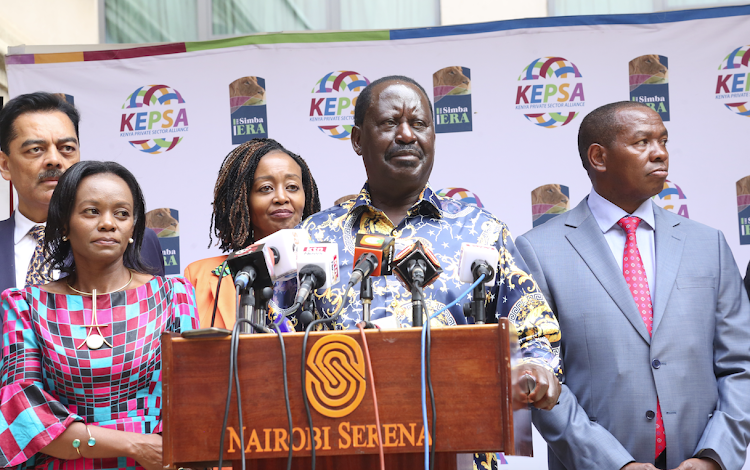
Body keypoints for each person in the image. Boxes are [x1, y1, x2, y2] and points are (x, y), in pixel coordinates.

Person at [300, 76, 562, 467]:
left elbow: (535, 328)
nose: (406, 135)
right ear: (357, 140)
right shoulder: (315, 235)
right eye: (389, 123)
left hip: (461, 448)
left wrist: (536, 366)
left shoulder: (482, 231)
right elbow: (276, 336)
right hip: (342, 449)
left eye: (419, 124)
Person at [515, 101, 750, 470]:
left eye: (663, 140)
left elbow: (741, 365)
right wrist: (613, 464)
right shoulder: (537, 251)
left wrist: (714, 457)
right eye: (642, 142)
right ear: (599, 157)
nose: (660, 153)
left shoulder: (709, 244)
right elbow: (539, 377)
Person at [0, 160, 199, 470]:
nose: (109, 223)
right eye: (92, 211)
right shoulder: (26, 305)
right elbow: (25, 417)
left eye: (122, 213)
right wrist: (134, 444)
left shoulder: (174, 295)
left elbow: (192, 403)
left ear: (134, 226)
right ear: (64, 223)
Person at [0, 92, 165, 295]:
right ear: (5, 165)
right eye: (36, 149)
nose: (54, 160)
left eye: (66, 148)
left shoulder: (135, 240)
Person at [184, 138, 320, 329]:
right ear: (242, 200)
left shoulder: (332, 269)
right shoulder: (198, 277)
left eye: (292, 187)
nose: (282, 197)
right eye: (266, 188)